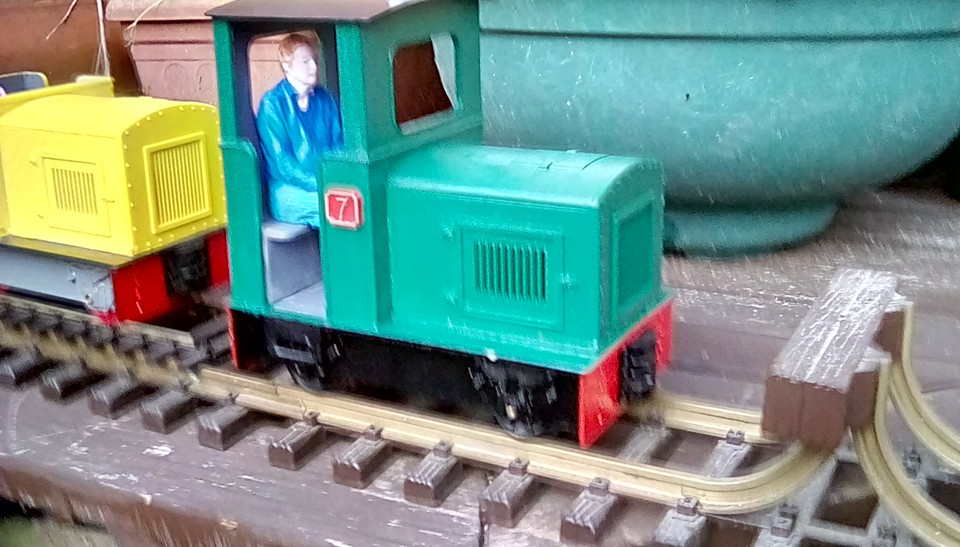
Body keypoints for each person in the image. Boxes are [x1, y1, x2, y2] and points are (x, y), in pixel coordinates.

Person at [256, 33, 344, 228]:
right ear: (287, 65)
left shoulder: (324, 98)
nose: (313, 67)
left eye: (314, 60)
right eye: (305, 62)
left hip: (328, 183)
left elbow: (338, 144)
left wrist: (339, 178)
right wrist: (321, 184)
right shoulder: (272, 105)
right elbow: (283, 164)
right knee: (341, 209)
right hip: (289, 191)